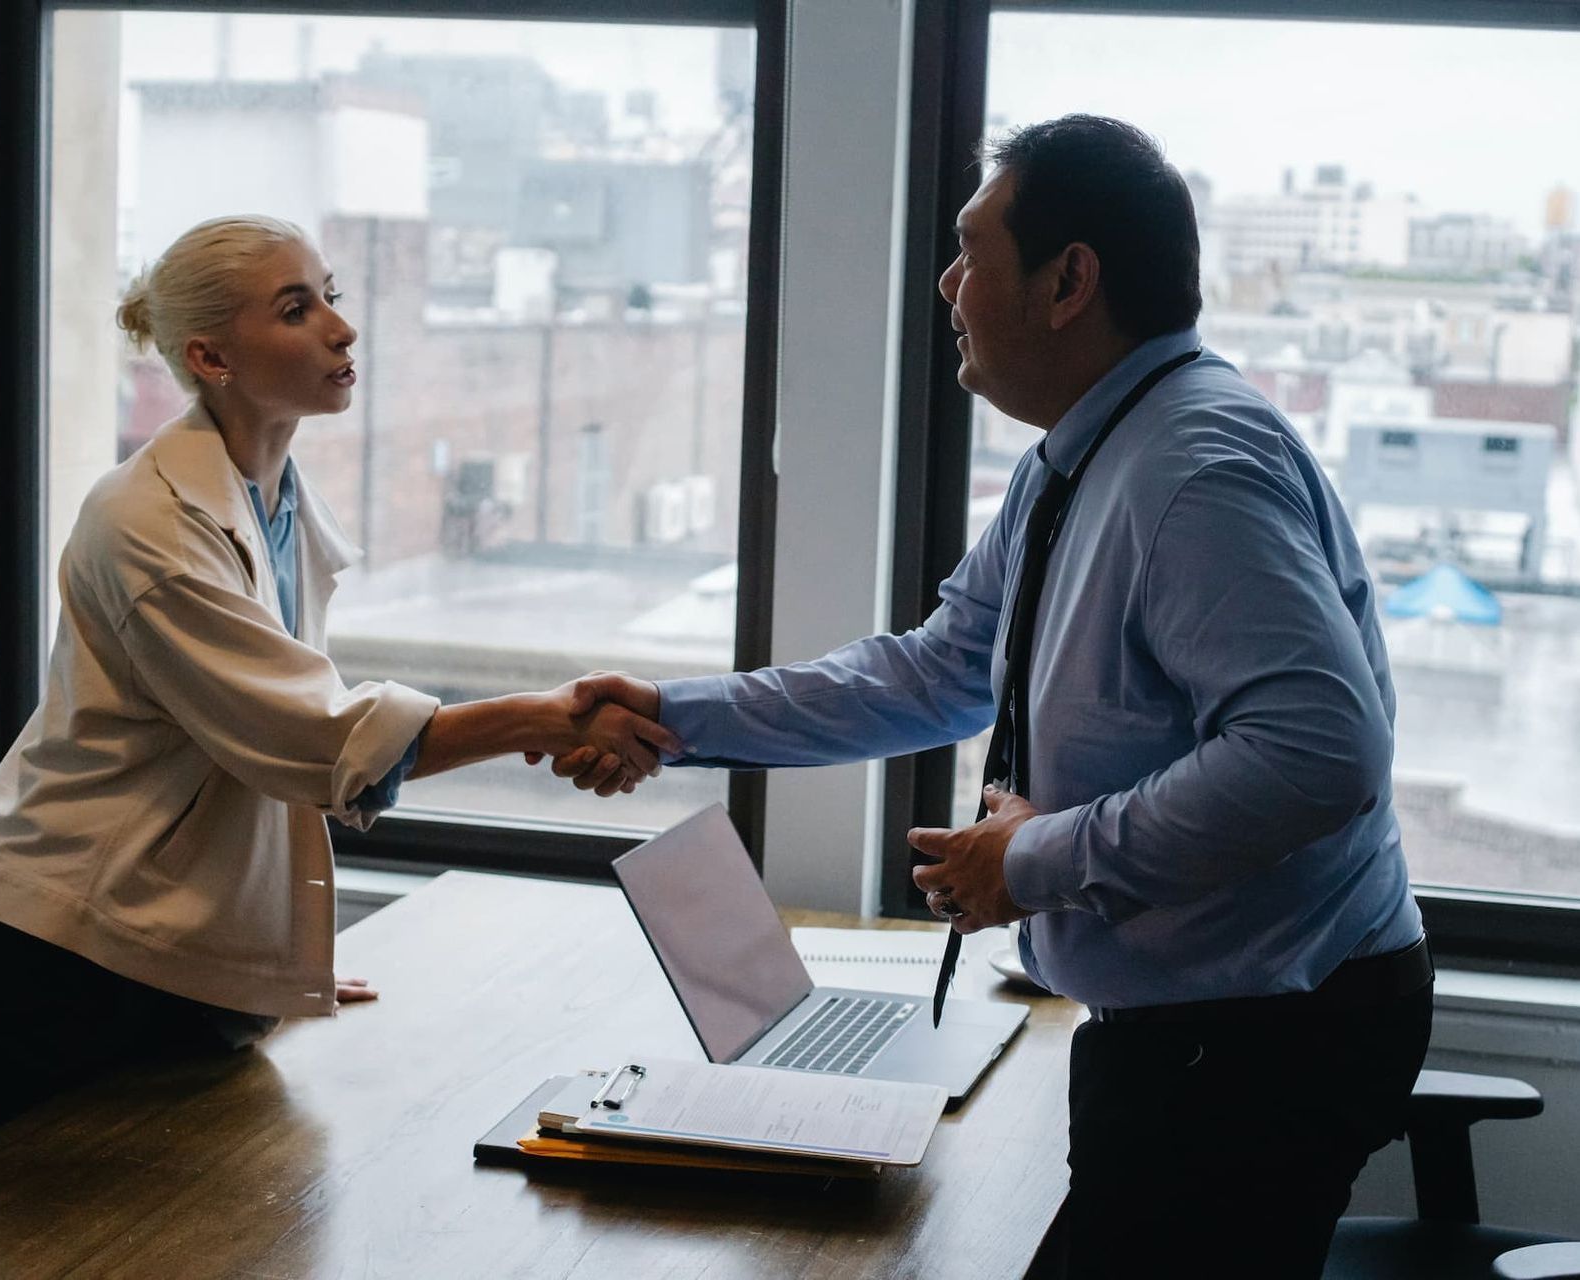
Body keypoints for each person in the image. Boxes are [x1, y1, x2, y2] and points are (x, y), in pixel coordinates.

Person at [549, 116, 1432, 1278]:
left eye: (972, 252)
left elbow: (1318, 752)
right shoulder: (1083, 453)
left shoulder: (1197, 467)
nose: (946, 284)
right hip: (1200, 1025)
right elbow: (940, 668)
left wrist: (1031, 860)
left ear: (1070, 281)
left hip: (1258, 1032)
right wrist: (677, 714)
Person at [0, 215, 674, 1160]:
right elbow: (310, 738)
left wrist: (274, 958)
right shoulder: (147, 522)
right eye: (295, 308)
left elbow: (264, 747)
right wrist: (546, 718)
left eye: (331, 296)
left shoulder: (268, 495)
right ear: (209, 355)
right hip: (62, 967)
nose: (341, 329)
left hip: (160, 951)